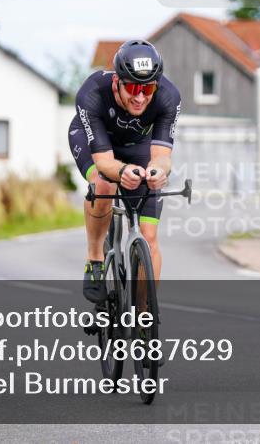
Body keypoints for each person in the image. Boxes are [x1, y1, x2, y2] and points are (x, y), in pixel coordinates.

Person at [68, 39, 181, 303]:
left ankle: (144, 315)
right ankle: (95, 259)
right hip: (95, 142)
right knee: (103, 183)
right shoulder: (92, 92)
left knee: (150, 236)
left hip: (137, 146)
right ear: (116, 81)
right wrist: (123, 172)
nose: (140, 97)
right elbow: (105, 162)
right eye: (132, 87)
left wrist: (158, 171)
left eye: (148, 89)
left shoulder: (168, 96)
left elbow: (162, 156)